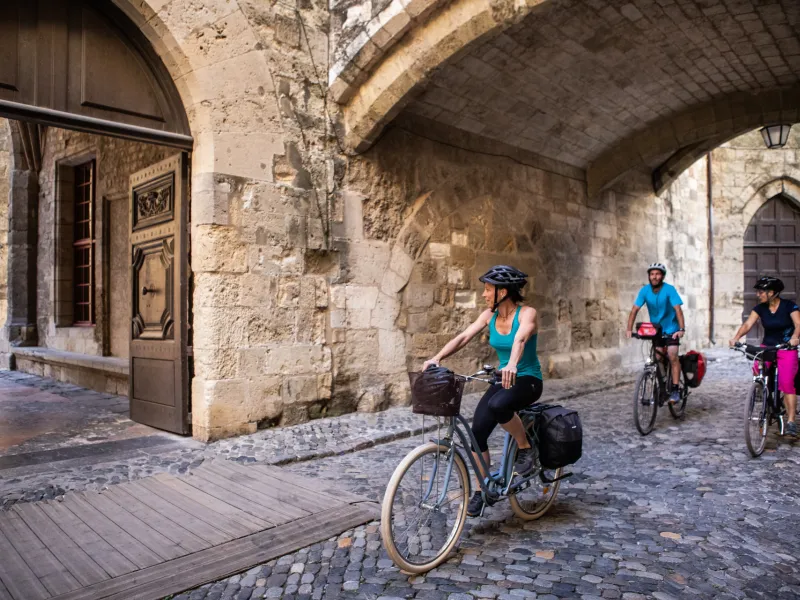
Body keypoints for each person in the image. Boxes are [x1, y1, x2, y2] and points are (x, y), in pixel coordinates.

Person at [422, 265, 543, 517]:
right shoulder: (489, 315)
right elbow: (464, 337)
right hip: (503, 379)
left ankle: (525, 447)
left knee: (500, 406)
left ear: (504, 292)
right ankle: (481, 490)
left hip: (527, 379)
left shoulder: (528, 313)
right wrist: (438, 357)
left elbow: (520, 339)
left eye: (488, 289)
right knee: (477, 433)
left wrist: (511, 363)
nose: (484, 294)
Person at [729, 276, 800, 437]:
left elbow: (798, 324)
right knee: (757, 366)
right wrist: (736, 338)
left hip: (786, 347)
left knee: (787, 382)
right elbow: (748, 324)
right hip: (767, 346)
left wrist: (795, 337)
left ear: (772, 293)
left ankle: (790, 421)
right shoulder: (760, 308)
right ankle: (763, 391)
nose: (758, 294)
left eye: (761, 292)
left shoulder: (789, 306)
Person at [626, 263, 686, 404]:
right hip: (656, 330)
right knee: (658, 358)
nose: (655, 276)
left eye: (658, 274)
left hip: (671, 329)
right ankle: (664, 385)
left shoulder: (669, 290)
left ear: (662, 276)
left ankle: (676, 390)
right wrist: (629, 329)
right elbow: (634, 310)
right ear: (649, 276)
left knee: (672, 355)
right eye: (652, 274)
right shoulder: (645, 291)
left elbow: (678, 310)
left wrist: (681, 329)